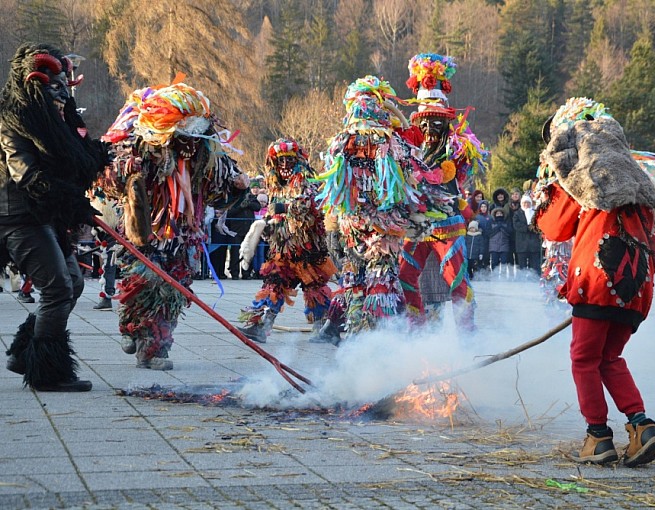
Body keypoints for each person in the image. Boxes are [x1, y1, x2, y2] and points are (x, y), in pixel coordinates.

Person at [535, 97, 655, 467]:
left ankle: (598, 437)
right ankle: (642, 428)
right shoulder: (640, 180)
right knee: (610, 357)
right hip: (636, 287)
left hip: (595, 280)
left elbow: (554, 228)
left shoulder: (583, 173)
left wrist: (548, 186)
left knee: (584, 359)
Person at [100, 79, 250, 370]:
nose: (190, 142)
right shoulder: (140, 153)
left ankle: (156, 349)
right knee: (144, 283)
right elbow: (109, 177)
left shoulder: (206, 157)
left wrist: (238, 185)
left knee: (174, 289)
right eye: (183, 134)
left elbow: (223, 187)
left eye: (195, 135)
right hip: (144, 233)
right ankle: (131, 326)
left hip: (184, 237)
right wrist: (126, 173)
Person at [1, 43, 107, 392]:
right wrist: (69, 201)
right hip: (17, 216)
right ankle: (48, 373)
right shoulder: (13, 121)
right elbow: (25, 174)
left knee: (72, 284)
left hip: (43, 215)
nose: (61, 95)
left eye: (64, 87)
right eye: (53, 87)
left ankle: (22, 353)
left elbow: (69, 162)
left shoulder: (54, 121)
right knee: (58, 288)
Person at [312, 76, 443, 343]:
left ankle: (358, 335)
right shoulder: (394, 144)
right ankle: (374, 338)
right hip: (384, 227)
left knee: (354, 278)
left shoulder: (341, 144)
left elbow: (333, 193)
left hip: (354, 225)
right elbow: (416, 181)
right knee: (379, 278)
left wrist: (333, 226)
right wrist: (418, 214)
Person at [398, 53, 488, 331]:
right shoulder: (407, 146)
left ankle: (468, 337)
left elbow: (461, 174)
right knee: (404, 276)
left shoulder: (459, 146)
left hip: (448, 223)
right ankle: (419, 330)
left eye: (436, 122)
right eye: (423, 122)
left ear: (447, 122)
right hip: (417, 225)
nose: (429, 128)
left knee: (457, 281)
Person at [236, 138, 336, 342]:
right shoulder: (275, 187)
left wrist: (285, 208)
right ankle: (263, 326)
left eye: (289, 160)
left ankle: (321, 329)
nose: (284, 165)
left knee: (314, 287)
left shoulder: (306, 180)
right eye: (280, 160)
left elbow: (312, 205)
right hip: (282, 249)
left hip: (307, 248)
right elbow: (274, 214)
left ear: (297, 161)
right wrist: (266, 225)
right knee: (273, 284)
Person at [512, 194, 542, 275]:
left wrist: (533, 228)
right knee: (522, 265)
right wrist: (527, 228)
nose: (526, 205)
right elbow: (516, 225)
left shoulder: (535, 213)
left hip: (534, 243)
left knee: (534, 264)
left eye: (528, 203)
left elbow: (539, 224)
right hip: (521, 243)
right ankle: (522, 280)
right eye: (524, 203)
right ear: (522, 203)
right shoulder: (517, 213)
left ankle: (535, 278)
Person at [487, 208, 512, 278]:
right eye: (497, 213)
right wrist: (497, 228)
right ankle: (494, 276)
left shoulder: (506, 223)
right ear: (495, 214)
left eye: (500, 213)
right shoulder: (491, 222)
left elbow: (510, 232)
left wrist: (502, 228)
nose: (499, 215)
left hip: (504, 245)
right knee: (494, 262)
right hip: (493, 246)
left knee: (504, 262)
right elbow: (489, 233)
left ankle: (503, 276)